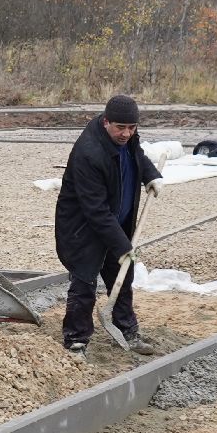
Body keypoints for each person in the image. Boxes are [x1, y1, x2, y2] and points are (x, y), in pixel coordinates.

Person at [55, 95, 162, 359]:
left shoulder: (128, 137)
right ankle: (76, 341)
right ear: (106, 122)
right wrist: (123, 245)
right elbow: (95, 210)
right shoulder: (88, 153)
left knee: (123, 277)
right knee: (85, 282)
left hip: (117, 220)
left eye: (132, 127)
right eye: (120, 128)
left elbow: (136, 154)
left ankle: (128, 330)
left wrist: (150, 175)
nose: (127, 133)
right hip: (84, 227)